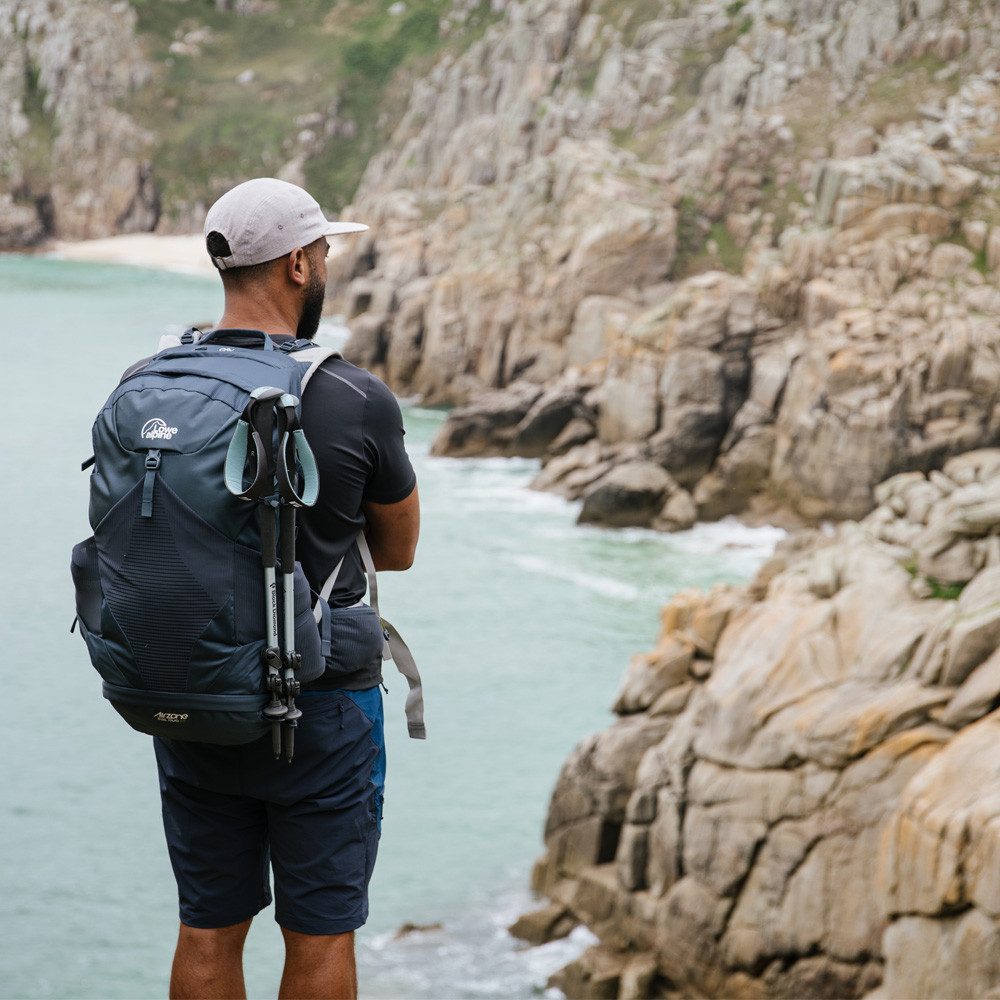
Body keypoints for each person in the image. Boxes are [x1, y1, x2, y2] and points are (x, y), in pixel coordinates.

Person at [153, 177, 420, 1000]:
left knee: (207, 923)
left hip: (191, 696)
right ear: (299, 265)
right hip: (322, 706)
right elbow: (399, 551)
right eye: (325, 250)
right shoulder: (350, 394)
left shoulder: (155, 381)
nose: (328, 262)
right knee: (318, 933)